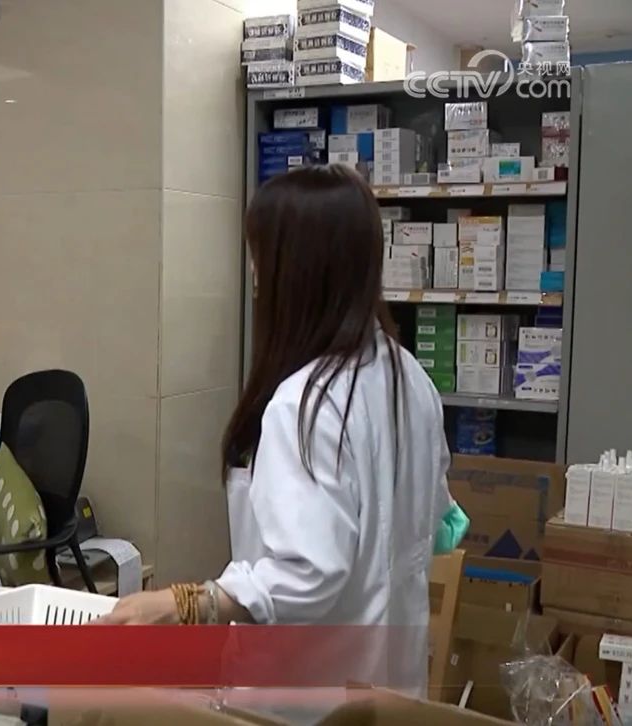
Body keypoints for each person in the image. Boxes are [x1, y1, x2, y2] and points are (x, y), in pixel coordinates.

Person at [99, 166, 452, 694]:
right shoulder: (408, 376)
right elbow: (440, 521)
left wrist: (187, 604)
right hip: (393, 691)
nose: (254, 272)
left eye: (260, 254)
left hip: (310, 697)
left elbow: (308, 573)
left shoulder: (304, 405)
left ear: (297, 269)